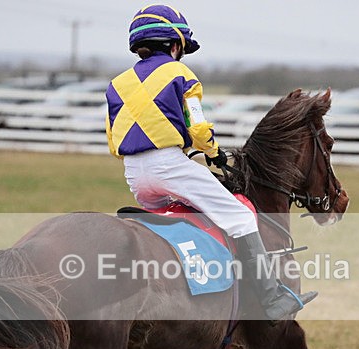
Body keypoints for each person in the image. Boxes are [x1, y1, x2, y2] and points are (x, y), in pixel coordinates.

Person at [105, 4, 316, 322]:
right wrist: (214, 152)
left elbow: (113, 138)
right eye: (181, 48)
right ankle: (271, 298)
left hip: (135, 174)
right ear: (175, 44)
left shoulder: (116, 84)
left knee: (181, 215)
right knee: (241, 217)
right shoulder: (182, 74)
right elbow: (198, 127)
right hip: (169, 167)